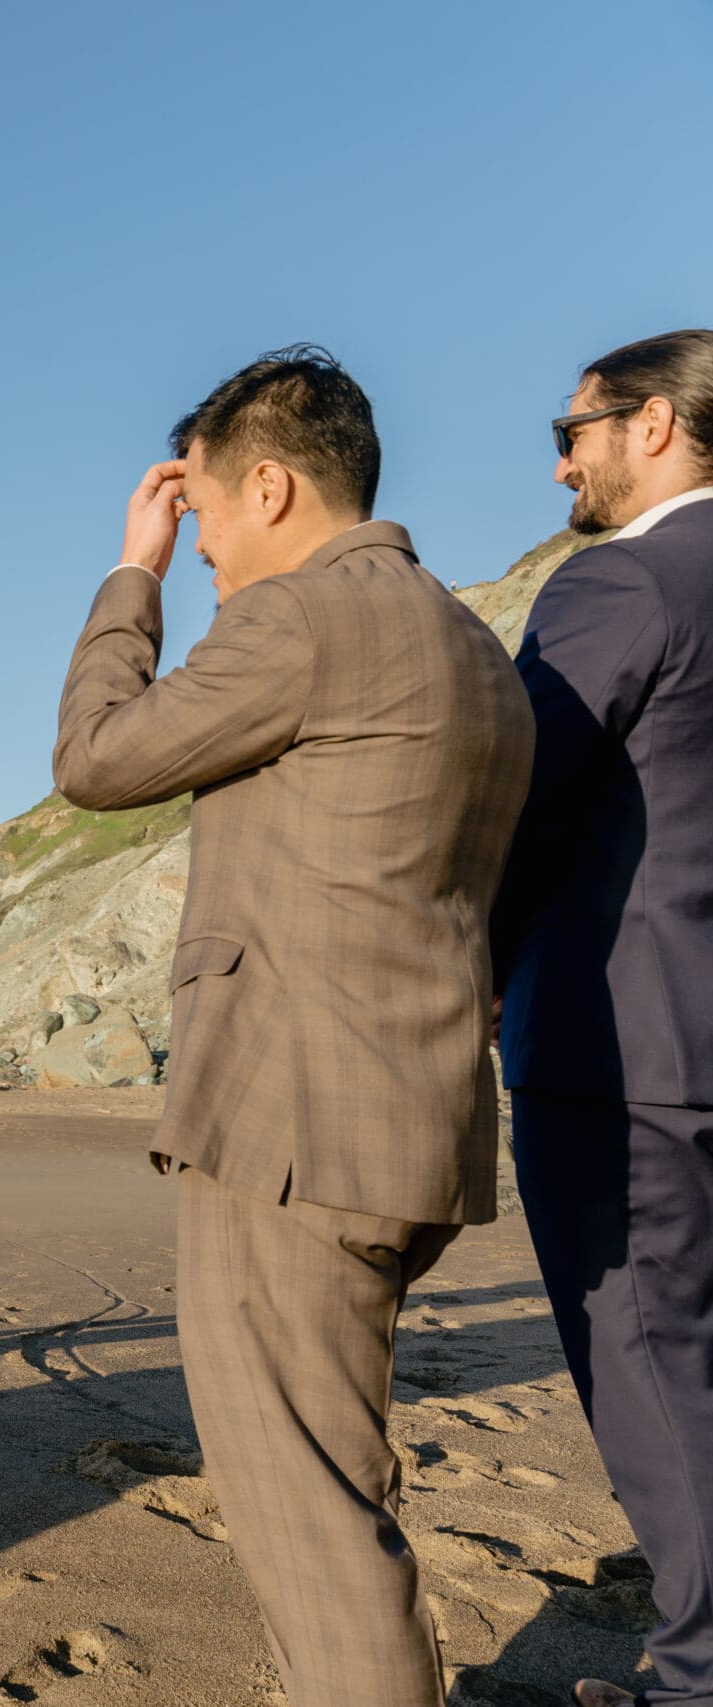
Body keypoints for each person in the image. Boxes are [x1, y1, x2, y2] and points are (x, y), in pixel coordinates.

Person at [52, 347, 534, 1707]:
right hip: (409, 1124)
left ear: (268, 483)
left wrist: (129, 574)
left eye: (200, 506)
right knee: (339, 1476)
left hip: (288, 1127)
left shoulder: (303, 622)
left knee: (306, 1516)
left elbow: (97, 758)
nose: (195, 533)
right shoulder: (467, 641)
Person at [490, 330, 713, 1707]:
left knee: (653, 1375)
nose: (562, 457)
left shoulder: (623, 581)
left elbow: (510, 791)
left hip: (624, 1047)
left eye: (570, 427)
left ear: (651, 423)